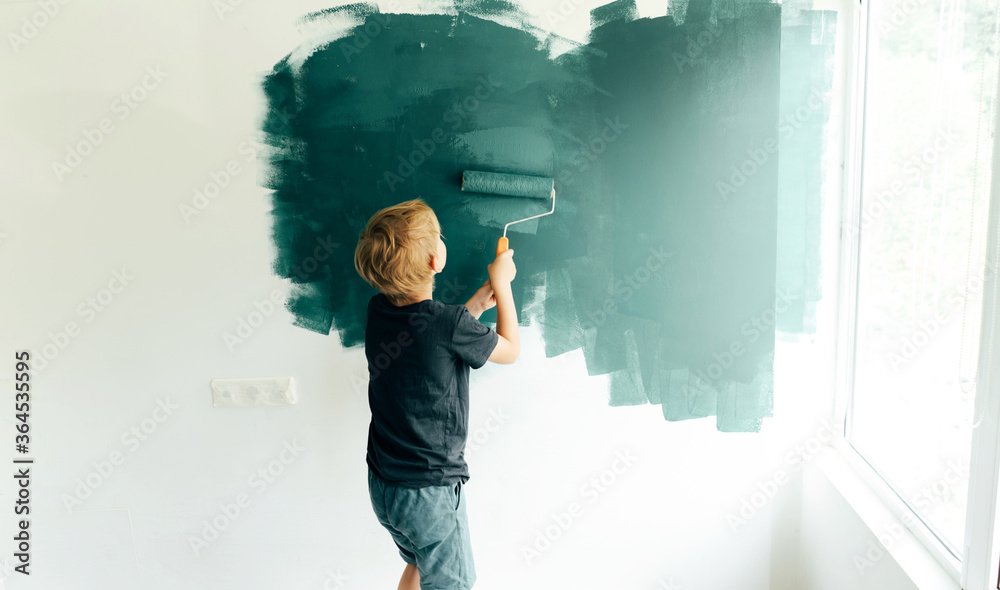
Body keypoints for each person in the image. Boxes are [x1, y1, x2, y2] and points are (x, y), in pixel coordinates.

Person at [354, 198, 519, 590]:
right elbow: (510, 350)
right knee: (453, 583)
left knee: (422, 563)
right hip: (429, 492)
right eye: (440, 236)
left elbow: (430, 343)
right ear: (434, 261)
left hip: (385, 485)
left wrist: (476, 306)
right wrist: (504, 285)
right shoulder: (449, 324)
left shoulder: (379, 311)